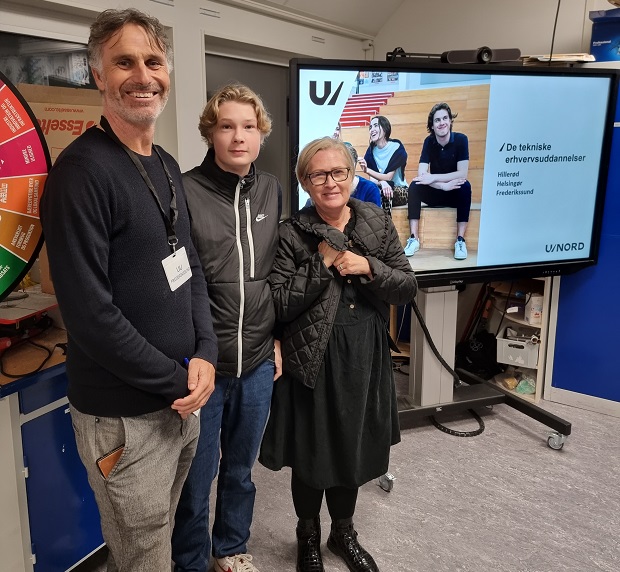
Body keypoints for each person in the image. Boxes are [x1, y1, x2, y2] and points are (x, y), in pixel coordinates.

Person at [40, 8, 218, 572]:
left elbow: (186, 263)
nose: (143, 75)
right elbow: (89, 314)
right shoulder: (80, 173)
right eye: (124, 62)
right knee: (141, 555)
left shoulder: (165, 163)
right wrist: (176, 381)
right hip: (125, 417)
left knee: (157, 542)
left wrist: (206, 355)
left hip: (180, 400)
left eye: (153, 61)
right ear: (97, 76)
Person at [259, 137, 417, 572]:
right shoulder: (292, 232)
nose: (330, 182)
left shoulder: (376, 222)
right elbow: (277, 303)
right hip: (312, 358)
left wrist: (369, 267)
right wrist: (321, 264)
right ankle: (306, 534)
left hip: (364, 355)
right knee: (312, 453)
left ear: (352, 175)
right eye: (318, 175)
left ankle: (342, 532)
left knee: (351, 448)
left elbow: (406, 287)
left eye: (338, 172)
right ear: (305, 182)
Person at [172, 84, 282, 572]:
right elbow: (177, 278)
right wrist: (192, 351)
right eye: (227, 126)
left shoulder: (272, 189)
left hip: (258, 360)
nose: (239, 137)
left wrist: (276, 338)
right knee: (196, 479)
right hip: (204, 364)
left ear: (261, 135)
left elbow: (278, 271)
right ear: (210, 133)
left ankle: (231, 549)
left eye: (249, 127)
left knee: (240, 471)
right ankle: (191, 561)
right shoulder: (186, 189)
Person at [405, 102, 472, 260]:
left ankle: (460, 240)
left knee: (465, 186)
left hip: (454, 193)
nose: (442, 123)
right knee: (415, 185)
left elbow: (462, 173)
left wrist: (434, 177)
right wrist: (443, 186)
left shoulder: (461, 140)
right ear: (432, 126)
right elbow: (422, 174)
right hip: (437, 191)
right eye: (437, 120)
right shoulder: (429, 142)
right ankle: (414, 239)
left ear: (450, 121)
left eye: (445, 118)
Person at [357, 115, 408, 215]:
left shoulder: (396, 147)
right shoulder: (371, 150)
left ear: (385, 128)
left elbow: (388, 177)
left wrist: (367, 170)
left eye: (376, 125)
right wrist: (382, 183)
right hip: (383, 187)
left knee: (382, 193)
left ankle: (386, 227)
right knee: (369, 191)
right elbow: (372, 179)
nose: (372, 130)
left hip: (401, 190)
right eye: (370, 127)